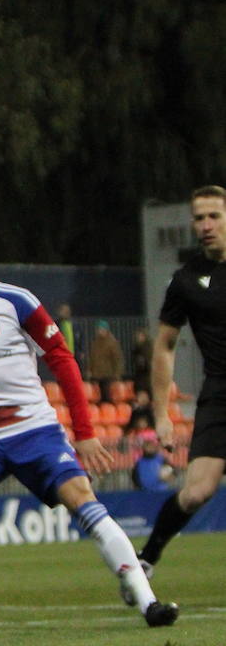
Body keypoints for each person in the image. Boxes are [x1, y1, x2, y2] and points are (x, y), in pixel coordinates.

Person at [0, 218, 176, 635]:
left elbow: (62, 360)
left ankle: (148, 602)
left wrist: (85, 433)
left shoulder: (15, 302)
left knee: (83, 501)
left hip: (35, 431)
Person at [135, 184, 226, 583]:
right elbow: (165, 346)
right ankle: (146, 560)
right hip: (219, 394)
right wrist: (162, 415)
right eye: (199, 217)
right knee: (194, 493)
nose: (205, 225)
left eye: (214, 216)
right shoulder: (187, 280)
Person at [87, 320, 123, 402]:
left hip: (108, 375)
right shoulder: (95, 343)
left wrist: (117, 374)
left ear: (106, 330)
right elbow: (92, 358)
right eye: (98, 329)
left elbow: (117, 360)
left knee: (107, 396)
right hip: (96, 375)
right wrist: (90, 370)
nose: (99, 331)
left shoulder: (112, 343)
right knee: (98, 398)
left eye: (101, 329)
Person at [130, 328, 153, 395]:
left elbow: (148, 362)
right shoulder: (137, 348)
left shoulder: (147, 348)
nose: (139, 338)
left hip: (145, 377)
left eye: (140, 336)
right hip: (141, 376)